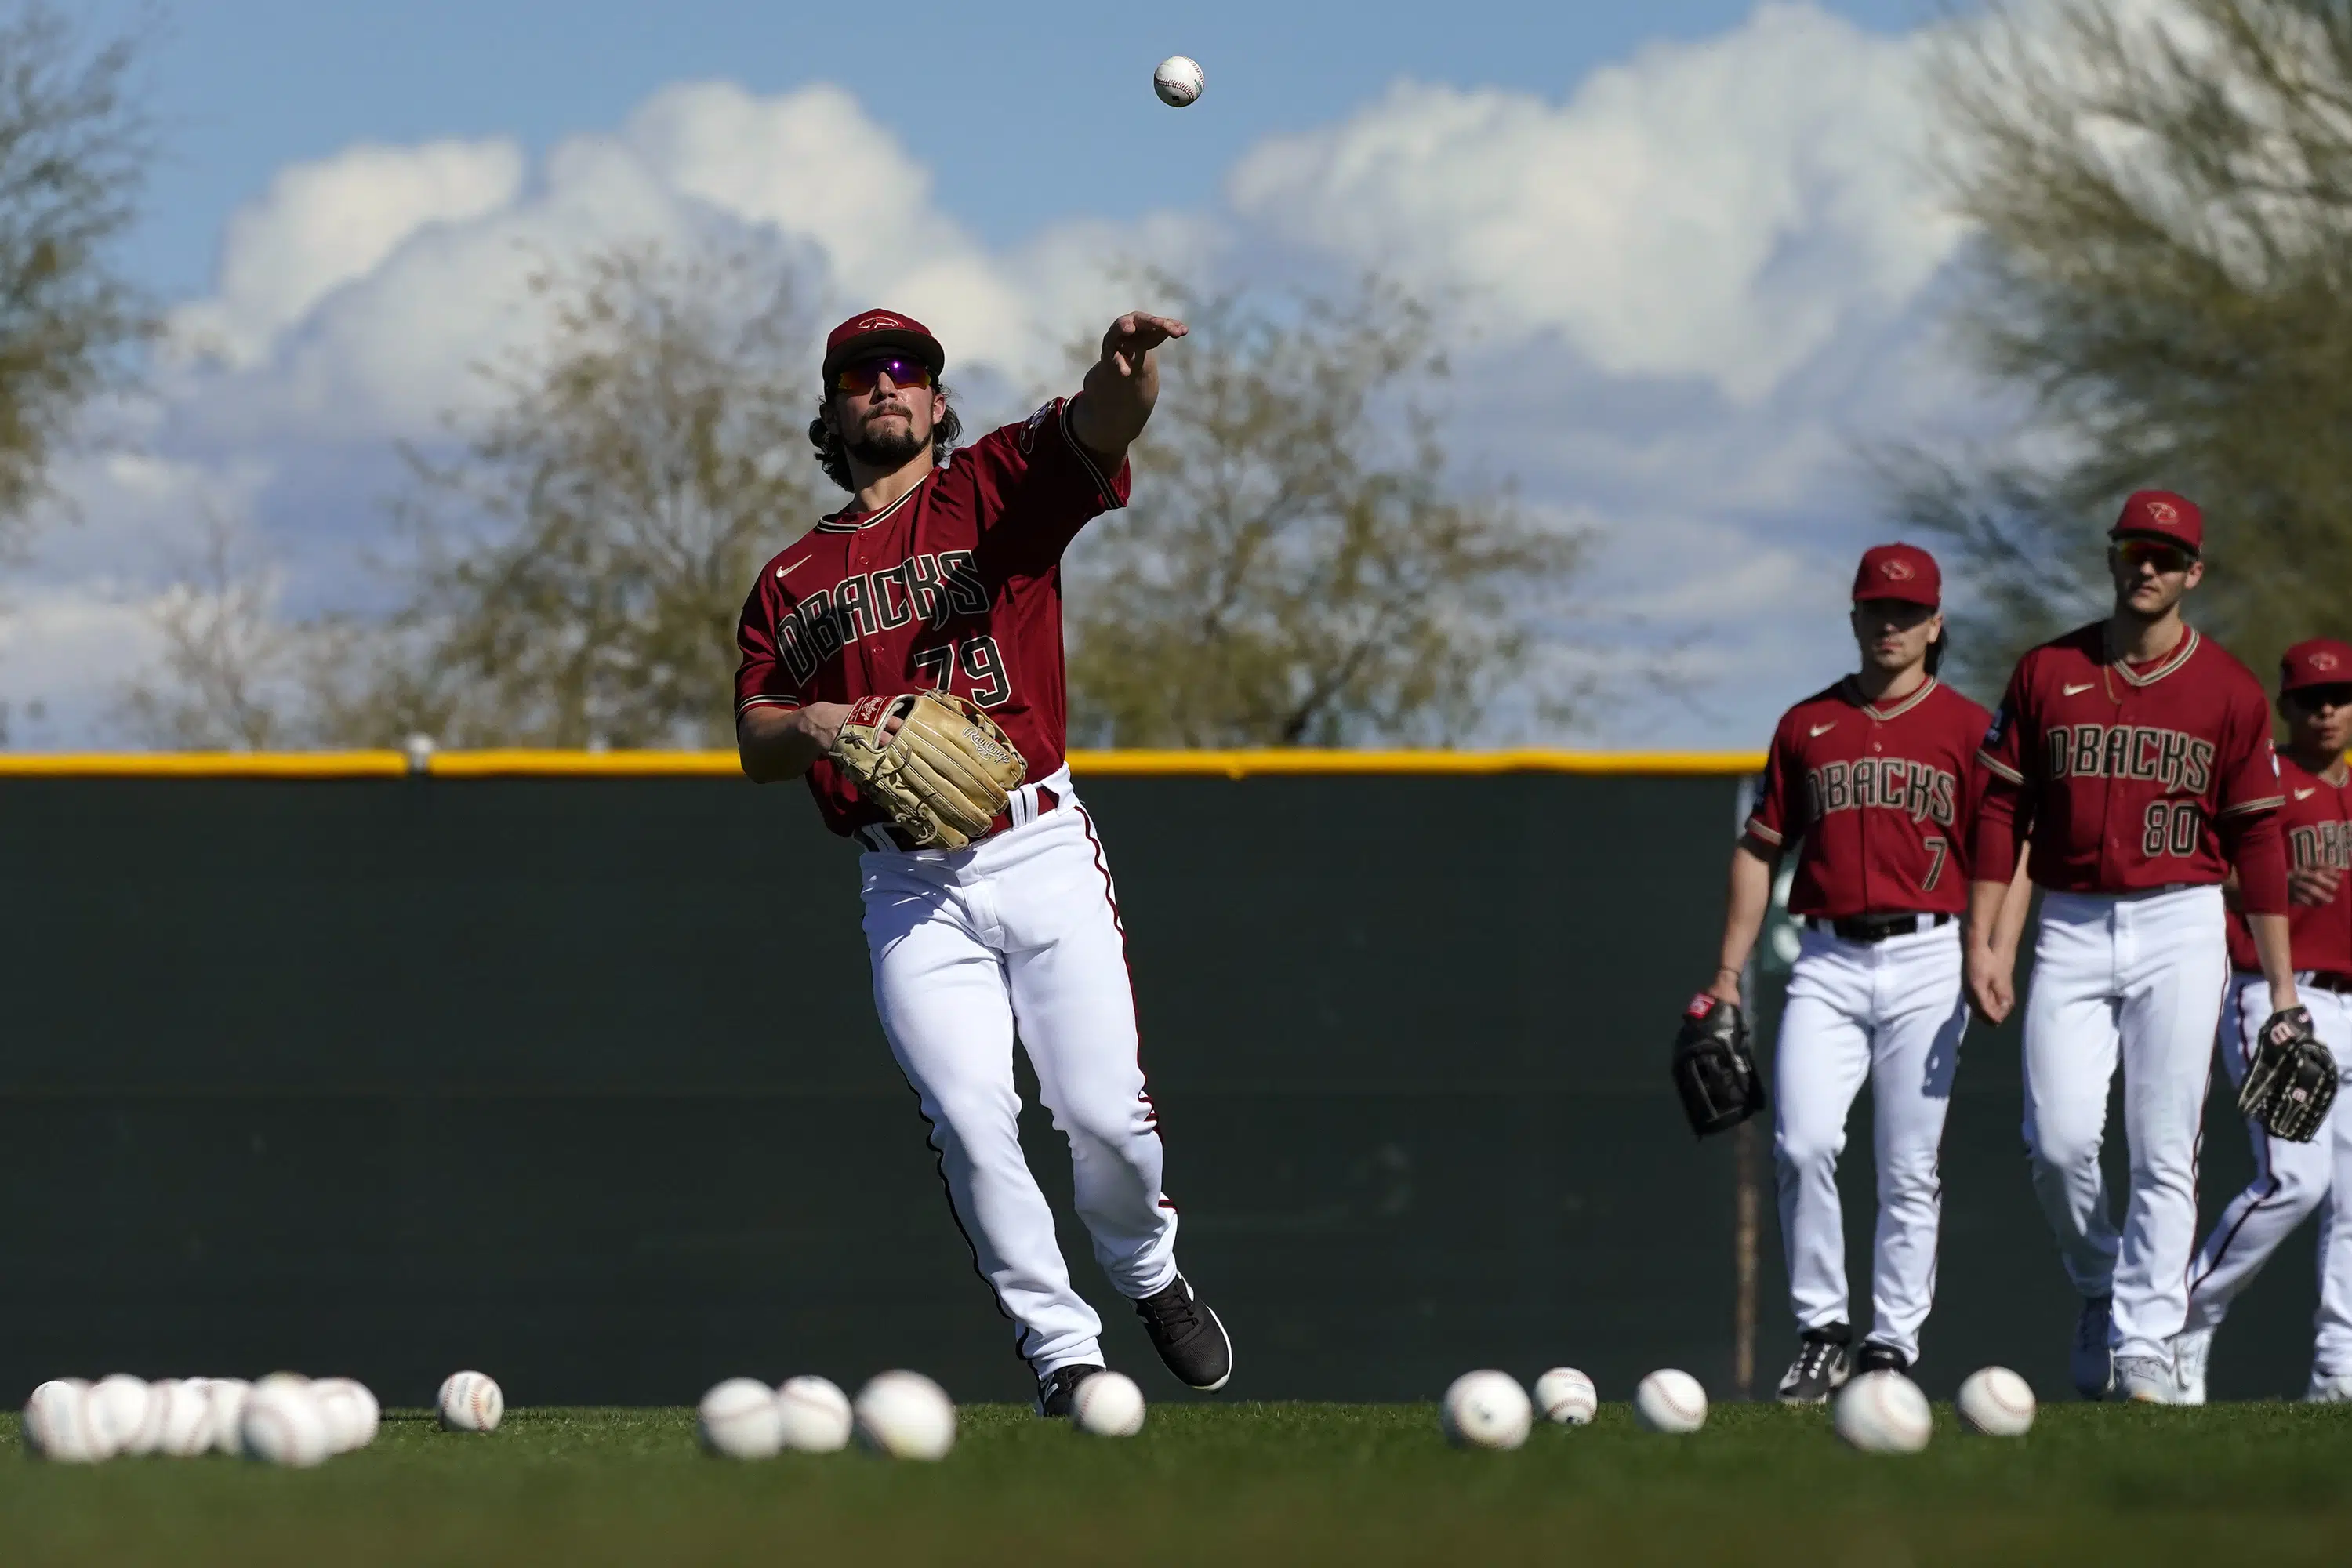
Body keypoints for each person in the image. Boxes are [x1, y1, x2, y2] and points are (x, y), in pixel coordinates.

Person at [731, 307, 1232, 1416]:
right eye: (861, 375)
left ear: (938, 401)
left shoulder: (993, 485)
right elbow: (757, 736)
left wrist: (1128, 374)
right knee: (969, 1115)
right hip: (907, 885)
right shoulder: (790, 579)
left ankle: (1148, 1268)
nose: (886, 387)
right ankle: (1063, 1352)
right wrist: (816, 725)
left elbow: (1104, 426)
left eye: (908, 370)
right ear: (830, 410)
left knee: (1102, 1117)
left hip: (1037, 843)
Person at [1966, 490, 2296, 1403]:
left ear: (2194, 571)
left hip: (2181, 920)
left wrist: (2279, 990)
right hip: (2069, 918)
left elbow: (2260, 842)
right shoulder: (2047, 671)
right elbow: (2003, 809)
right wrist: (1985, 937)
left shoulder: (2228, 688)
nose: (2146, 567)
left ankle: (2148, 1334)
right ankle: (2099, 1281)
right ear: (2112, 559)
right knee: (2060, 1140)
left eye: (2165, 554)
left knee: (2162, 1145)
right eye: (2133, 550)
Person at [1707, 544, 2026, 1402]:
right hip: (1826, 957)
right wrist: (1728, 973)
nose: (1891, 624)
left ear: (1935, 623)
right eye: (1877, 609)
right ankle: (1822, 1329)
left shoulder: (1969, 727)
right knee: (1803, 1140)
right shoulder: (1807, 724)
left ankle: (1891, 1343)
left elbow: (2010, 847)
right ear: (1854, 618)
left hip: (1930, 952)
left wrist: (1988, 945)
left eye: (1907, 611)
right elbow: (1759, 846)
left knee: (1908, 1162)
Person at [2172, 638, 2352, 1404]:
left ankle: (2338, 1371)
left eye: (2339, 695)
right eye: (2311, 698)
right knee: (2294, 1180)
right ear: (2286, 706)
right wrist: (2257, 884)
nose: (2327, 709)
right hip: (2279, 995)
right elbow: (2192, 868)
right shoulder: (2262, 776)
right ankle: (2178, 1317)